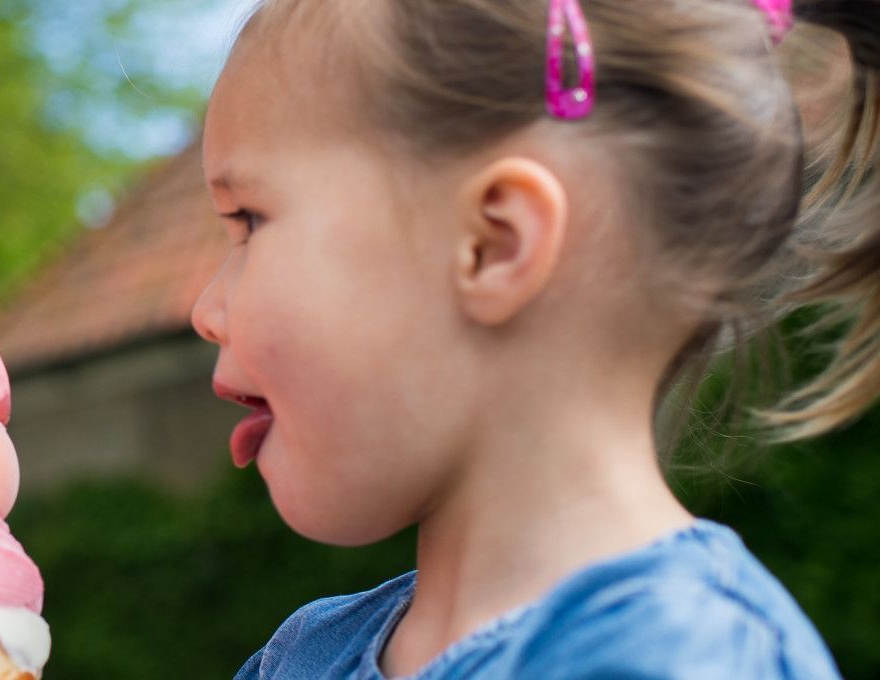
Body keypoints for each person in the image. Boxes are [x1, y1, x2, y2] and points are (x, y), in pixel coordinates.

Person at [194, 0, 876, 677]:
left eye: (249, 219)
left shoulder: (687, 655)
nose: (206, 309)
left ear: (495, 245)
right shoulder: (302, 655)